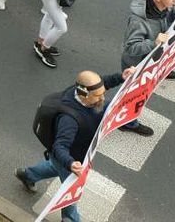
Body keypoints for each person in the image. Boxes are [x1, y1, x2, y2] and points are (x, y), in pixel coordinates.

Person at [14, 68, 138, 220]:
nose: (102, 98)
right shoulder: (69, 120)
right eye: (98, 96)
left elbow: (102, 84)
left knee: (54, 166)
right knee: (71, 190)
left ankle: (27, 175)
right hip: (71, 157)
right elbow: (60, 147)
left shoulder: (82, 90)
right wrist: (71, 163)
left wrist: (121, 77)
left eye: (102, 93)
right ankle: (70, 218)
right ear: (84, 94)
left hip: (68, 155)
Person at [119, 0, 175, 114]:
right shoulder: (138, 21)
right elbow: (130, 47)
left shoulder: (163, 5)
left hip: (153, 59)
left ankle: (162, 70)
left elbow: (172, 8)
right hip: (137, 65)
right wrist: (154, 43)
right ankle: (129, 123)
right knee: (135, 95)